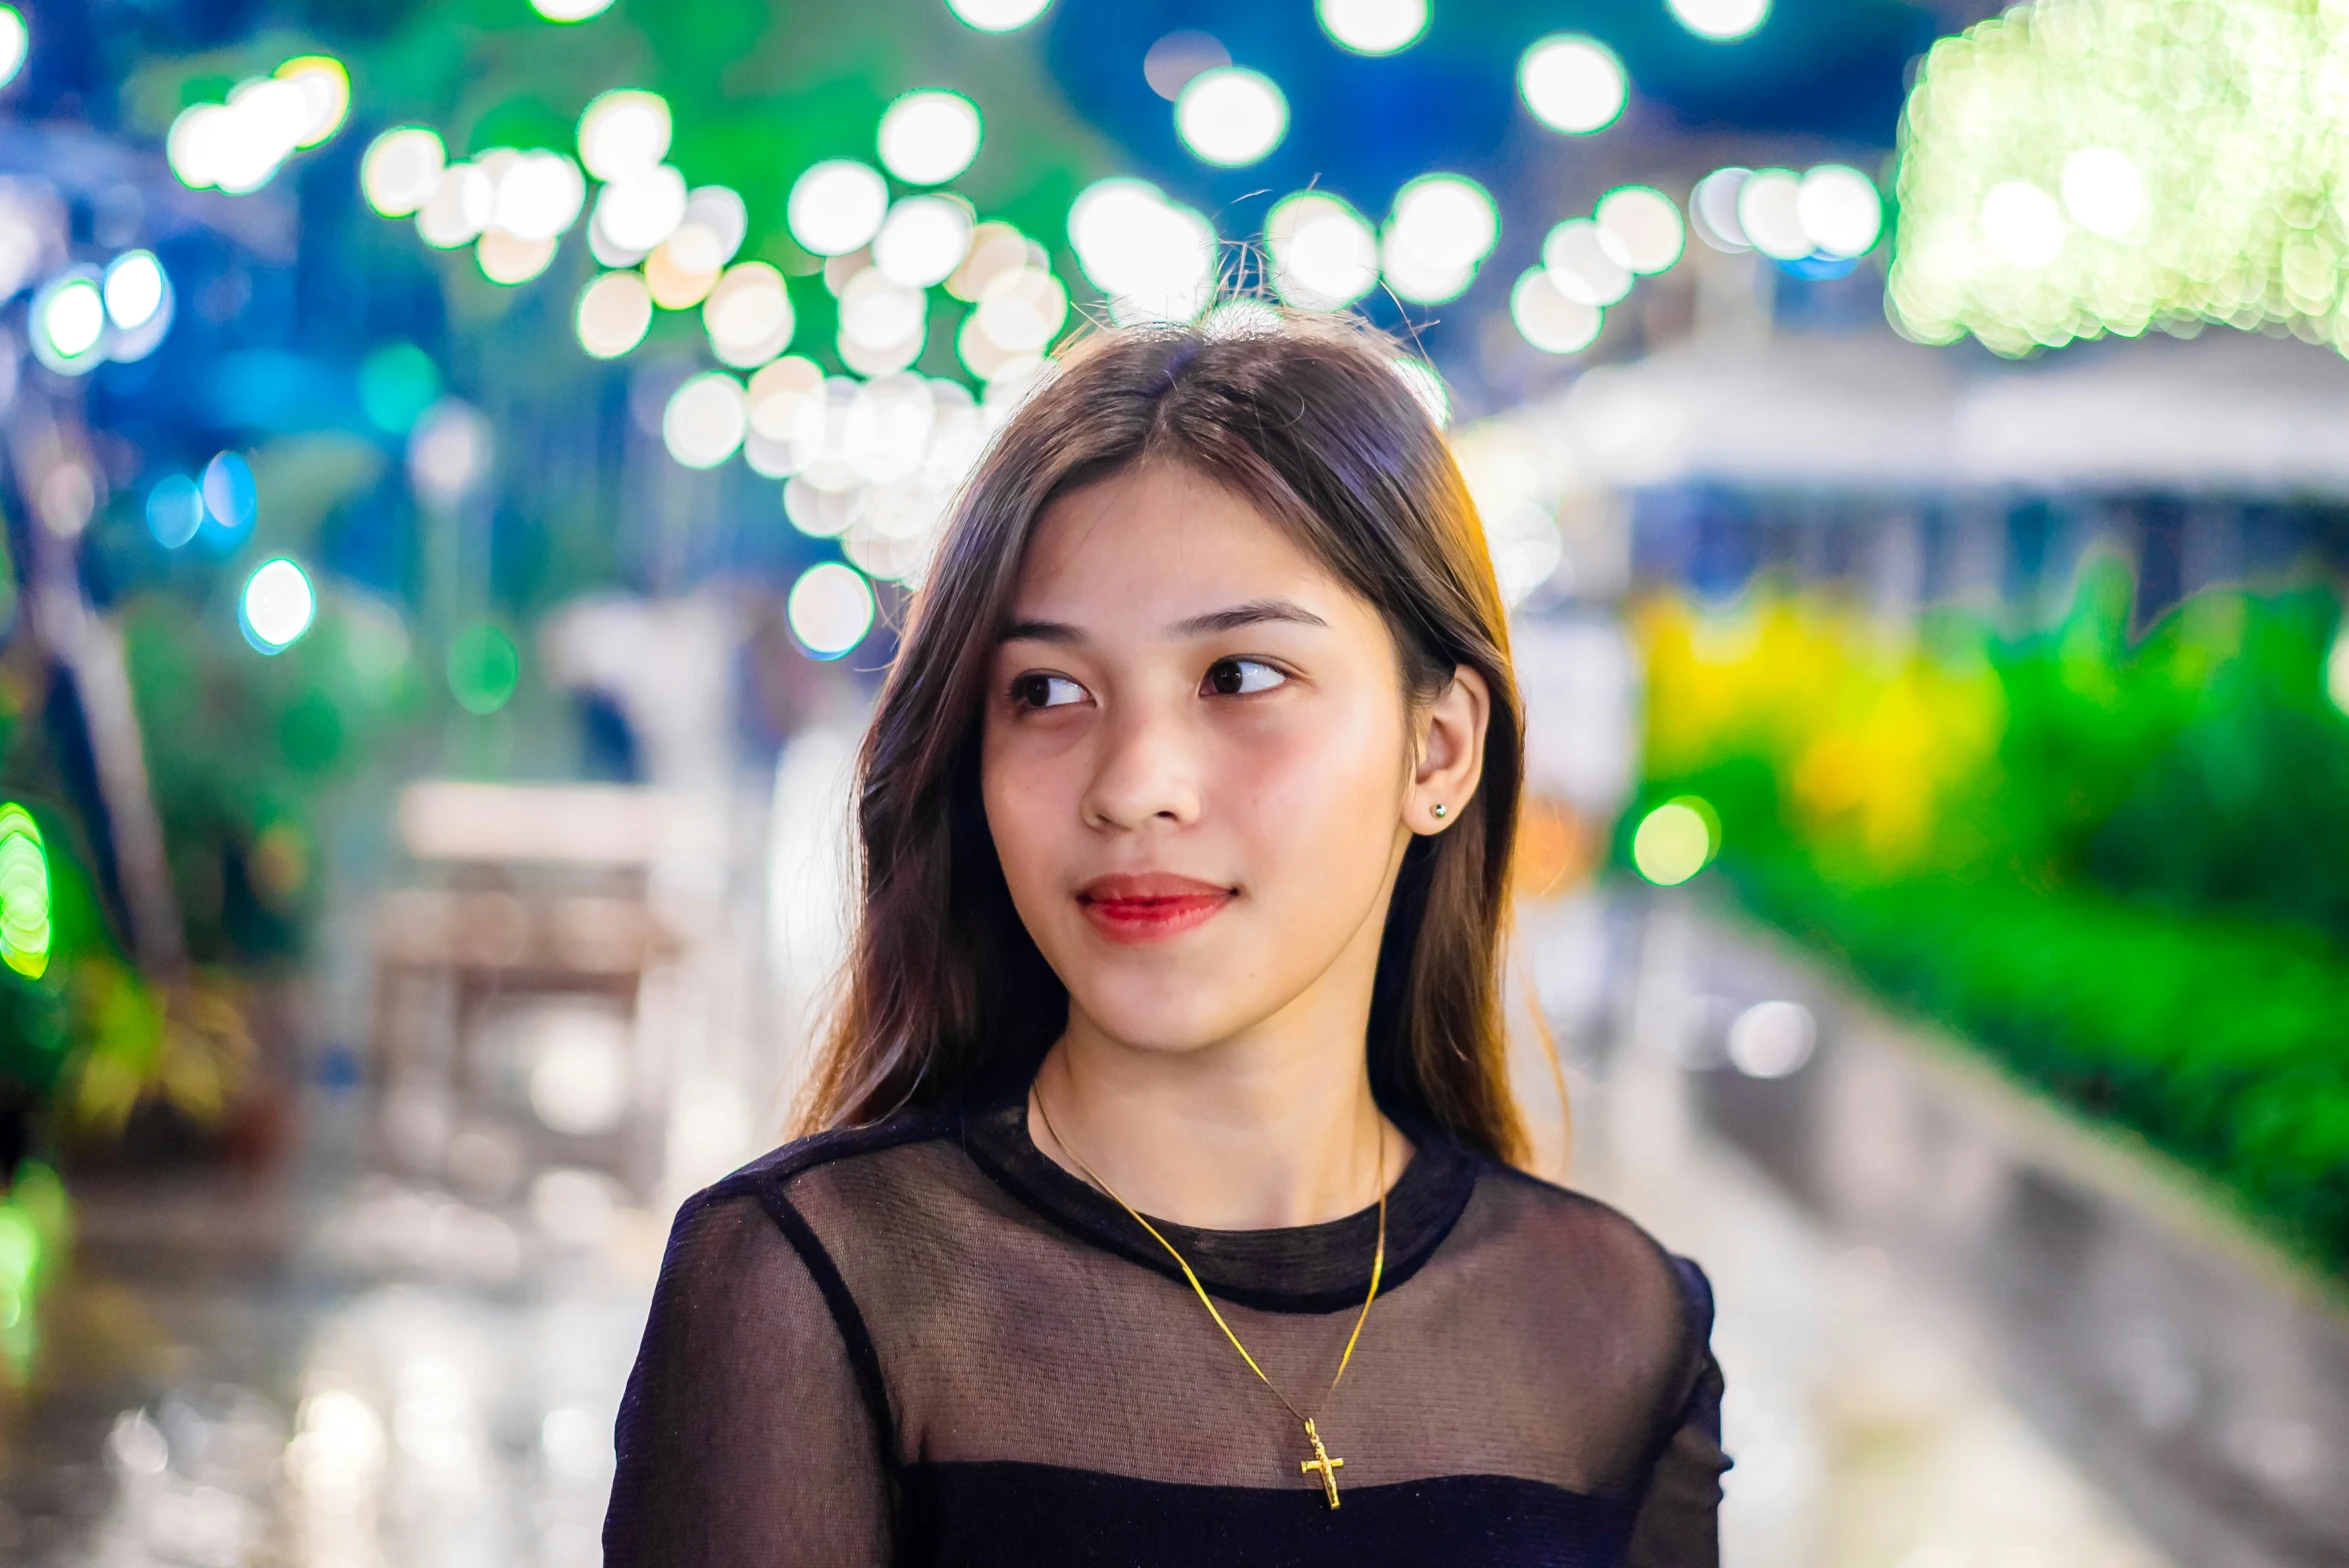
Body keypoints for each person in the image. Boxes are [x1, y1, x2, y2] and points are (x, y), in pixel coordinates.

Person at [604, 313, 1726, 1567]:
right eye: (1049, 691)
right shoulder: (813, 1290)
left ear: (1439, 748)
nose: (1135, 783)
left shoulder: (1615, 1329)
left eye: (1240, 677)